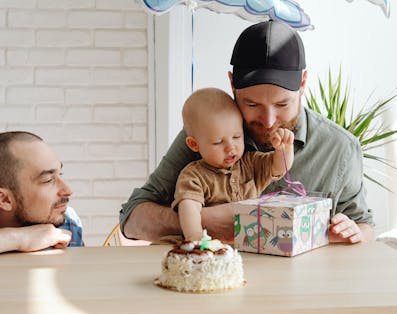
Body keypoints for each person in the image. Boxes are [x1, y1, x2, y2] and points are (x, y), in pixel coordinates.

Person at [120, 20, 374, 244]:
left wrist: (355, 233)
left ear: (303, 84)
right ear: (232, 84)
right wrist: (200, 223)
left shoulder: (340, 148)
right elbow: (132, 219)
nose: (268, 120)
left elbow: (365, 227)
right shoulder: (210, 135)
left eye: (282, 104)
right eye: (252, 105)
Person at [174, 87, 294, 241]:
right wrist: (195, 236)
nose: (230, 148)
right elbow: (189, 207)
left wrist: (284, 149)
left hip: (250, 244)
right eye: (218, 142)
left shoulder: (250, 163)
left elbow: (279, 168)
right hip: (212, 247)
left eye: (237, 137)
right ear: (194, 144)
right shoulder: (193, 176)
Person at [0, 131, 84, 263]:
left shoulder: (66, 221)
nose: (68, 191)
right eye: (48, 180)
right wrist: (22, 238)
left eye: (60, 174)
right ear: (4, 199)